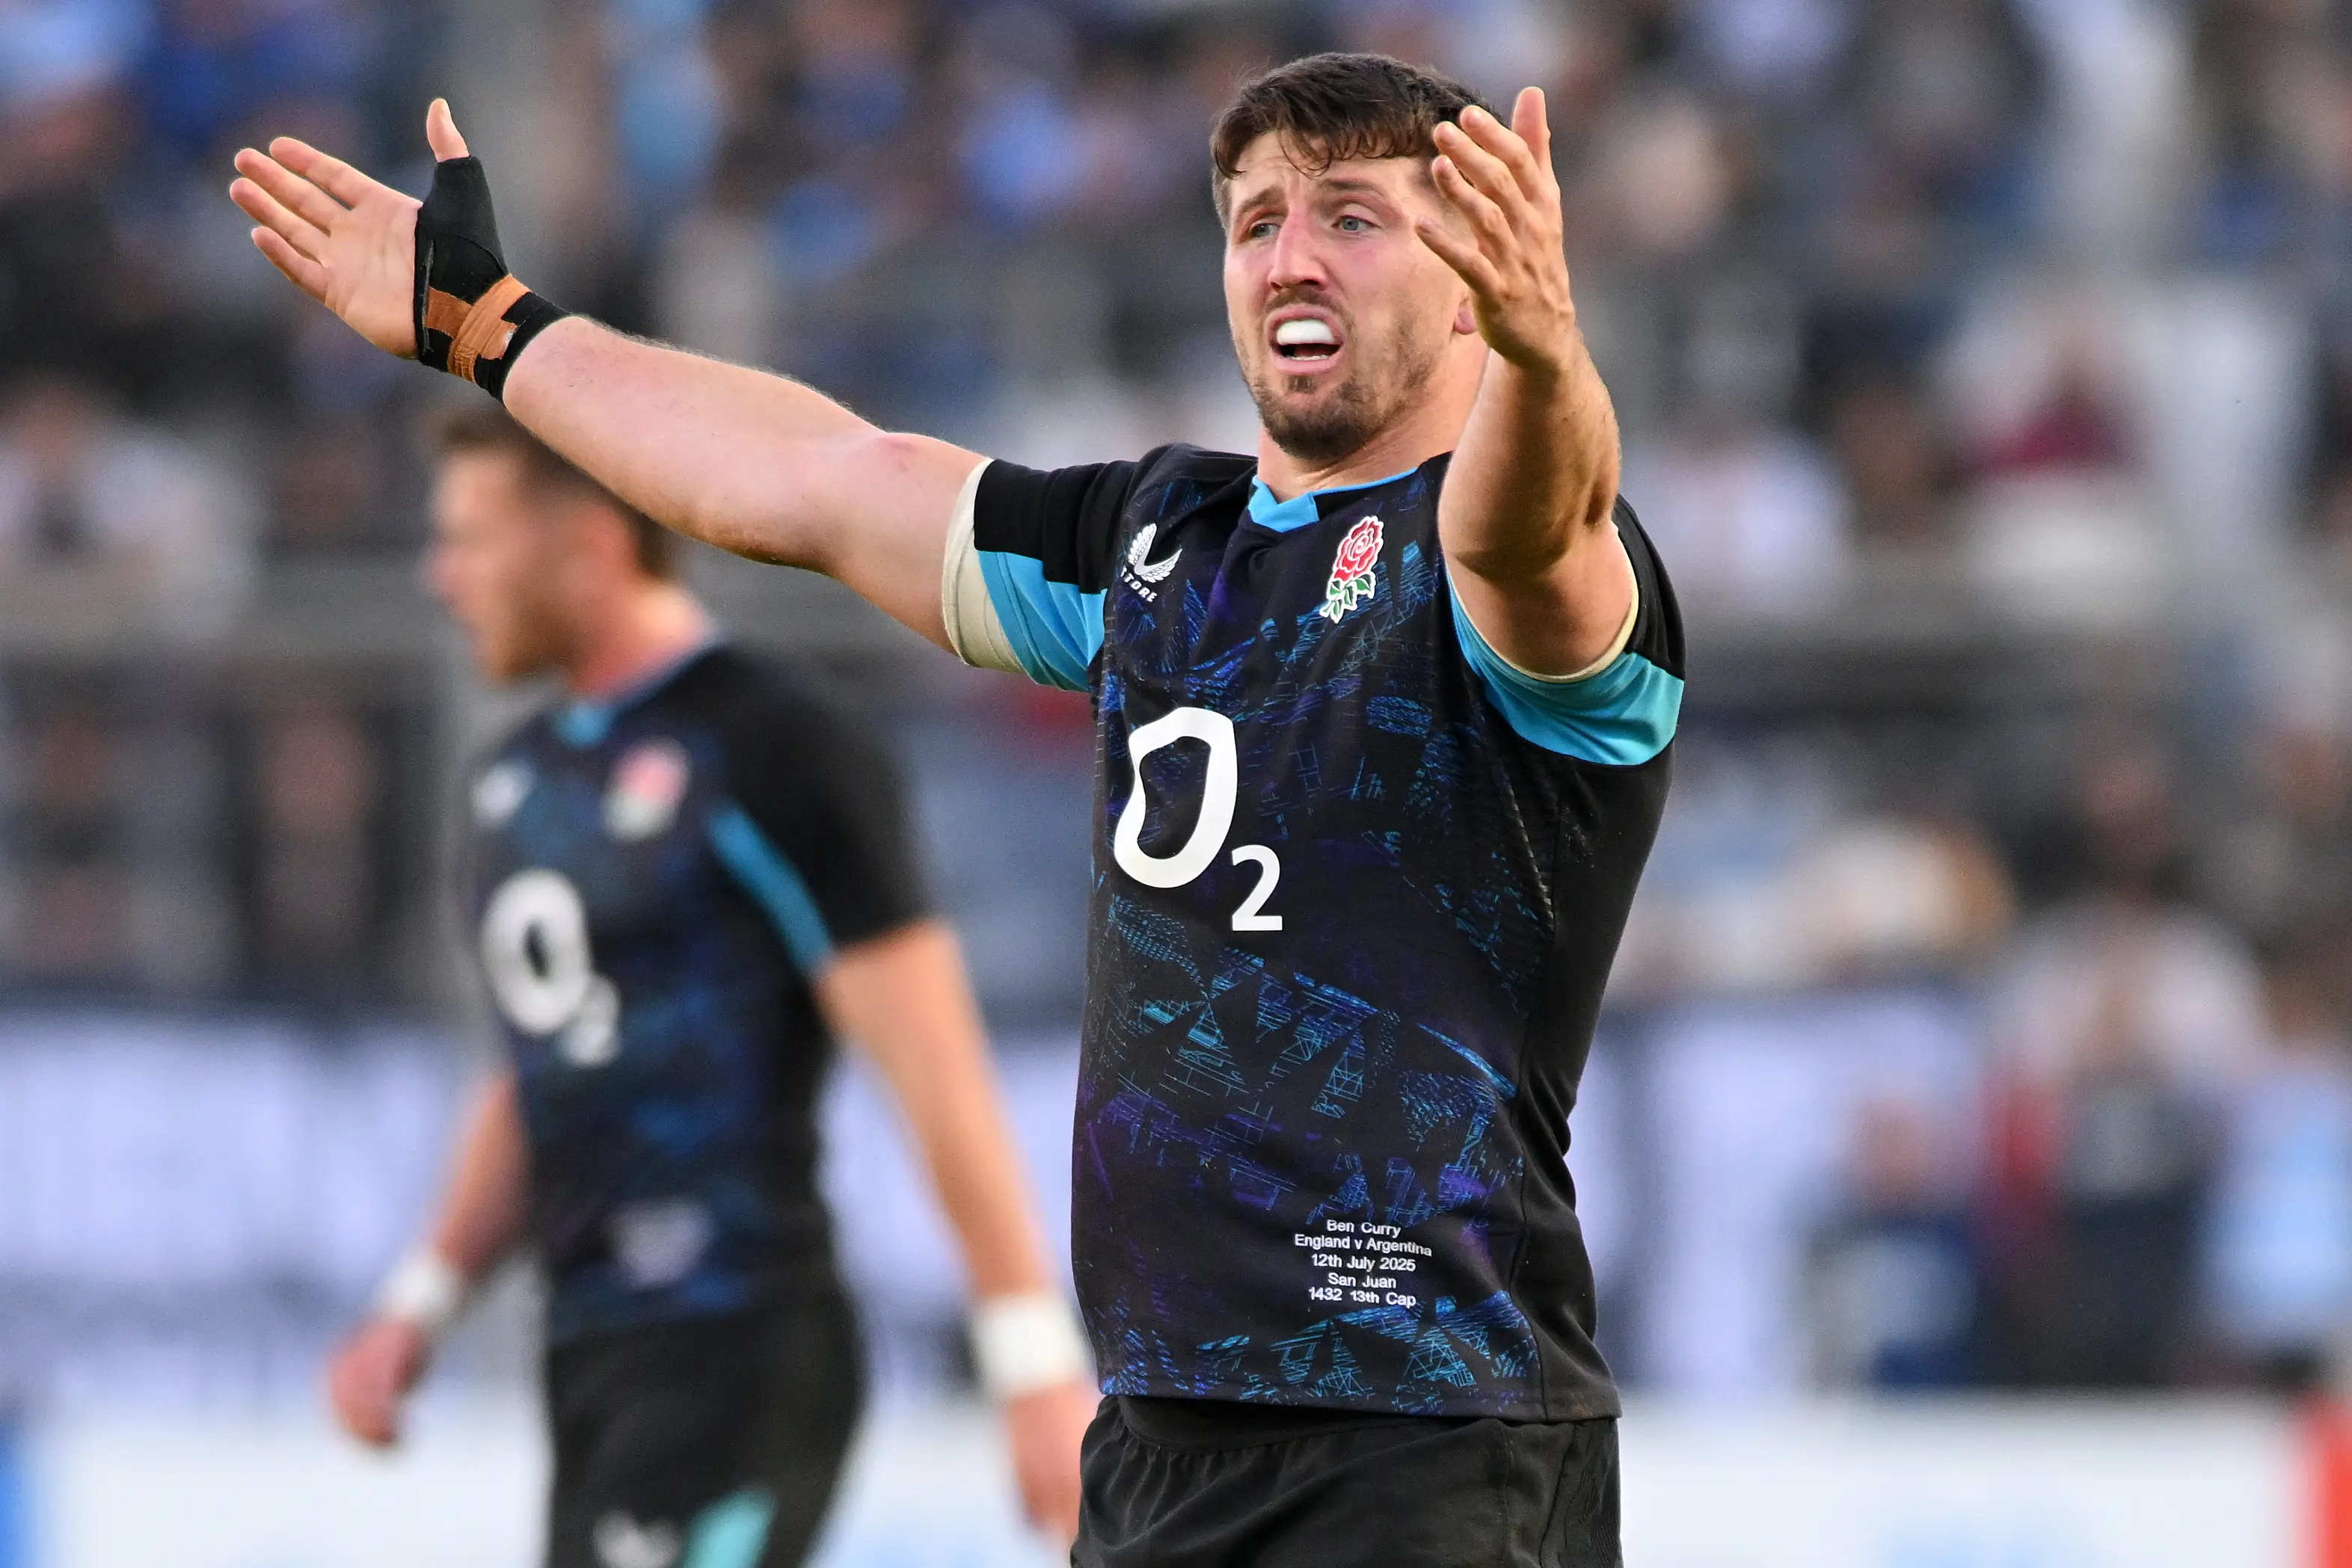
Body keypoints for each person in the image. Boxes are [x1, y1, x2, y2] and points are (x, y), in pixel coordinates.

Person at [235, 49, 1682, 1565]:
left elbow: (1535, 526)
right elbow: (814, 478)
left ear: (1472, 275)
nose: (1289, 257)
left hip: (1429, 1446)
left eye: (1353, 217)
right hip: (1161, 1445)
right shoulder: (1157, 547)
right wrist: (494, 332)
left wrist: (1545, 358)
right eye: (1253, 222)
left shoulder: (1525, 573)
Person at [323, 405, 1093, 1566]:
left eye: (473, 539)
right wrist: (423, 1298)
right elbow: (547, 1061)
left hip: (741, 1338)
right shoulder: (513, 784)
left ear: (587, 539)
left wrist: (1031, 1362)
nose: (444, 576)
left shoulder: (774, 743)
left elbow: (931, 1060)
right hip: (591, 1354)